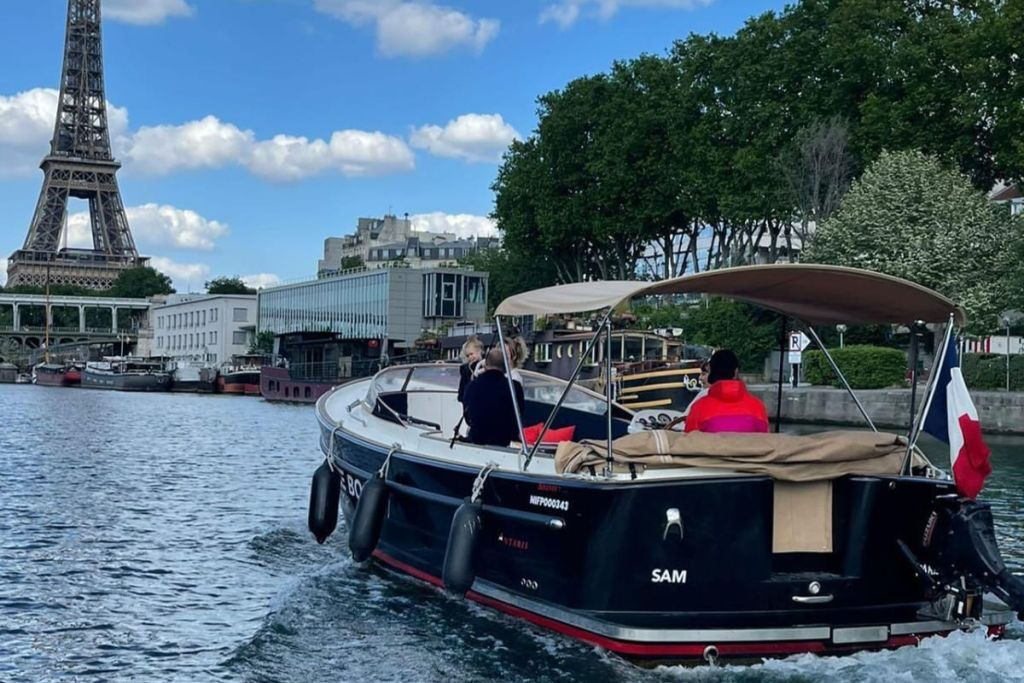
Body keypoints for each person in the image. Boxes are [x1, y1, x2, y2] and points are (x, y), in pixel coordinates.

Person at [684, 349, 768, 433]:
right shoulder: (758, 408)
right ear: (736, 372)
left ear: (711, 372)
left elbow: (689, 441)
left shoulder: (699, 408)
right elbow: (765, 442)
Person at [463, 347, 526, 447]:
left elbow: (467, 416)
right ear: (504, 366)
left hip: (477, 439)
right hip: (504, 442)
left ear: (486, 364)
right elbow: (519, 415)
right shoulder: (515, 387)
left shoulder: (472, 386)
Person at [456, 335, 483, 408]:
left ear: (478, 351)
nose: (470, 357)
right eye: (468, 356)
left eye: (472, 354)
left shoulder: (484, 366)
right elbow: (462, 390)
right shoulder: (465, 369)